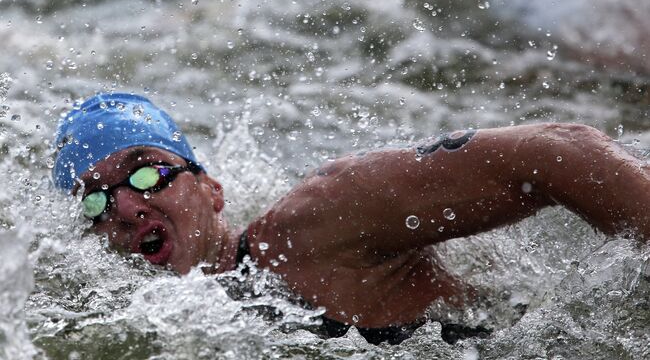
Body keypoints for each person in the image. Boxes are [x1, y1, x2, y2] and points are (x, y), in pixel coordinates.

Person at [53, 93, 650, 344]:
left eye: (145, 171)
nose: (127, 207)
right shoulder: (141, 326)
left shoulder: (309, 230)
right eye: (94, 200)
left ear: (211, 190)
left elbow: (557, 148)